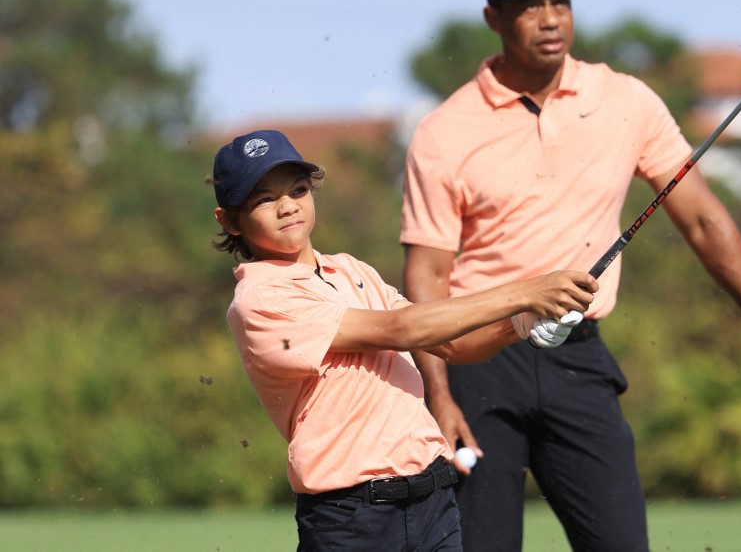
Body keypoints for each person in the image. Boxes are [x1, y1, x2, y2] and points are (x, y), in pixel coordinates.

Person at [400, 0, 741, 551]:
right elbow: (428, 274)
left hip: (579, 359)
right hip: (479, 363)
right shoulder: (445, 131)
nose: (550, 18)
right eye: (529, 6)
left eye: (559, 2)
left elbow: (701, 219)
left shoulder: (625, 100)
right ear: (495, 19)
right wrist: (436, 395)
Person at [210, 129, 598, 552]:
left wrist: (521, 324)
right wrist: (525, 292)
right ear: (229, 220)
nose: (288, 206)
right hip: (351, 519)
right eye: (264, 199)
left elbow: (448, 345)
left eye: (298, 190)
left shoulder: (349, 269)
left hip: (434, 502)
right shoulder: (261, 298)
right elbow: (401, 329)